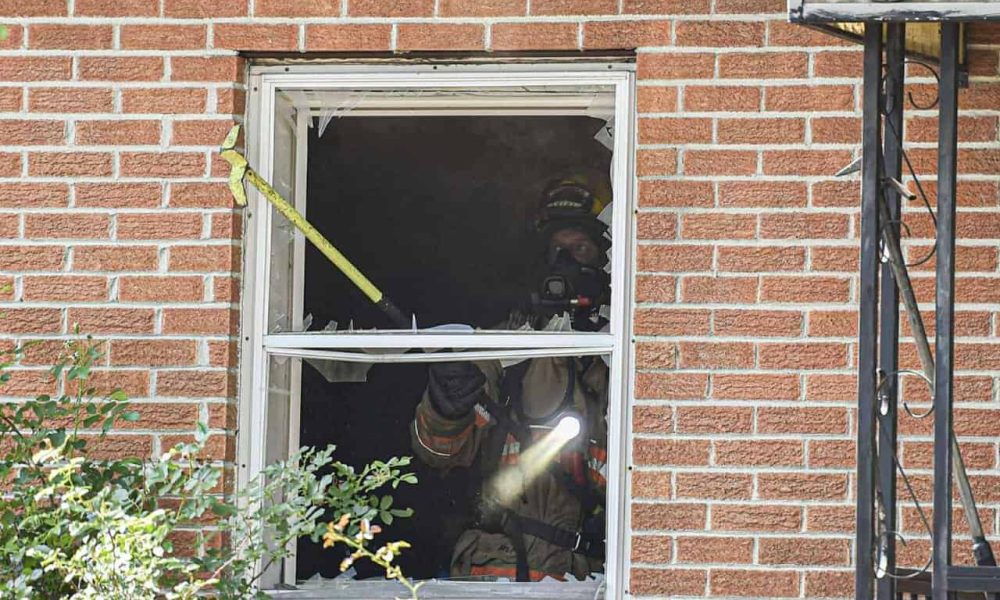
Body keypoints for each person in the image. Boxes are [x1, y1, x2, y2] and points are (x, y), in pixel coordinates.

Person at [410, 174, 612, 582]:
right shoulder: (509, 349)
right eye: (556, 251)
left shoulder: (624, 351)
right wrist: (444, 409)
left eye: (579, 250)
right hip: (504, 572)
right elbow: (439, 453)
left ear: (605, 260)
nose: (566, 264)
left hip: (590, 576)